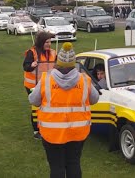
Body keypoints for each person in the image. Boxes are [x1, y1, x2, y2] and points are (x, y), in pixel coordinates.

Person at [29, 42, 99, 178]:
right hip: (77, 132)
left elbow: (33, 100)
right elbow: (95, 99)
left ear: (58, 62)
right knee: (74, 163)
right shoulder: (84, 80)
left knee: (56, 166)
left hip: (51, 133)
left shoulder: (46, 79)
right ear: (74, 64)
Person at [23, 31, 57, 139]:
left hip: (47, 84)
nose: (49, 44)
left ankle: (46, 126)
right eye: (46, 42)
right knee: (36, 107)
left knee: (47, 106)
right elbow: (25, 66)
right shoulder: (31, 52)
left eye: (50, 42)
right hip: (33, 85)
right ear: (41, 42)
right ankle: (36, 131)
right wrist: (31, 65)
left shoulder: (53, 52)